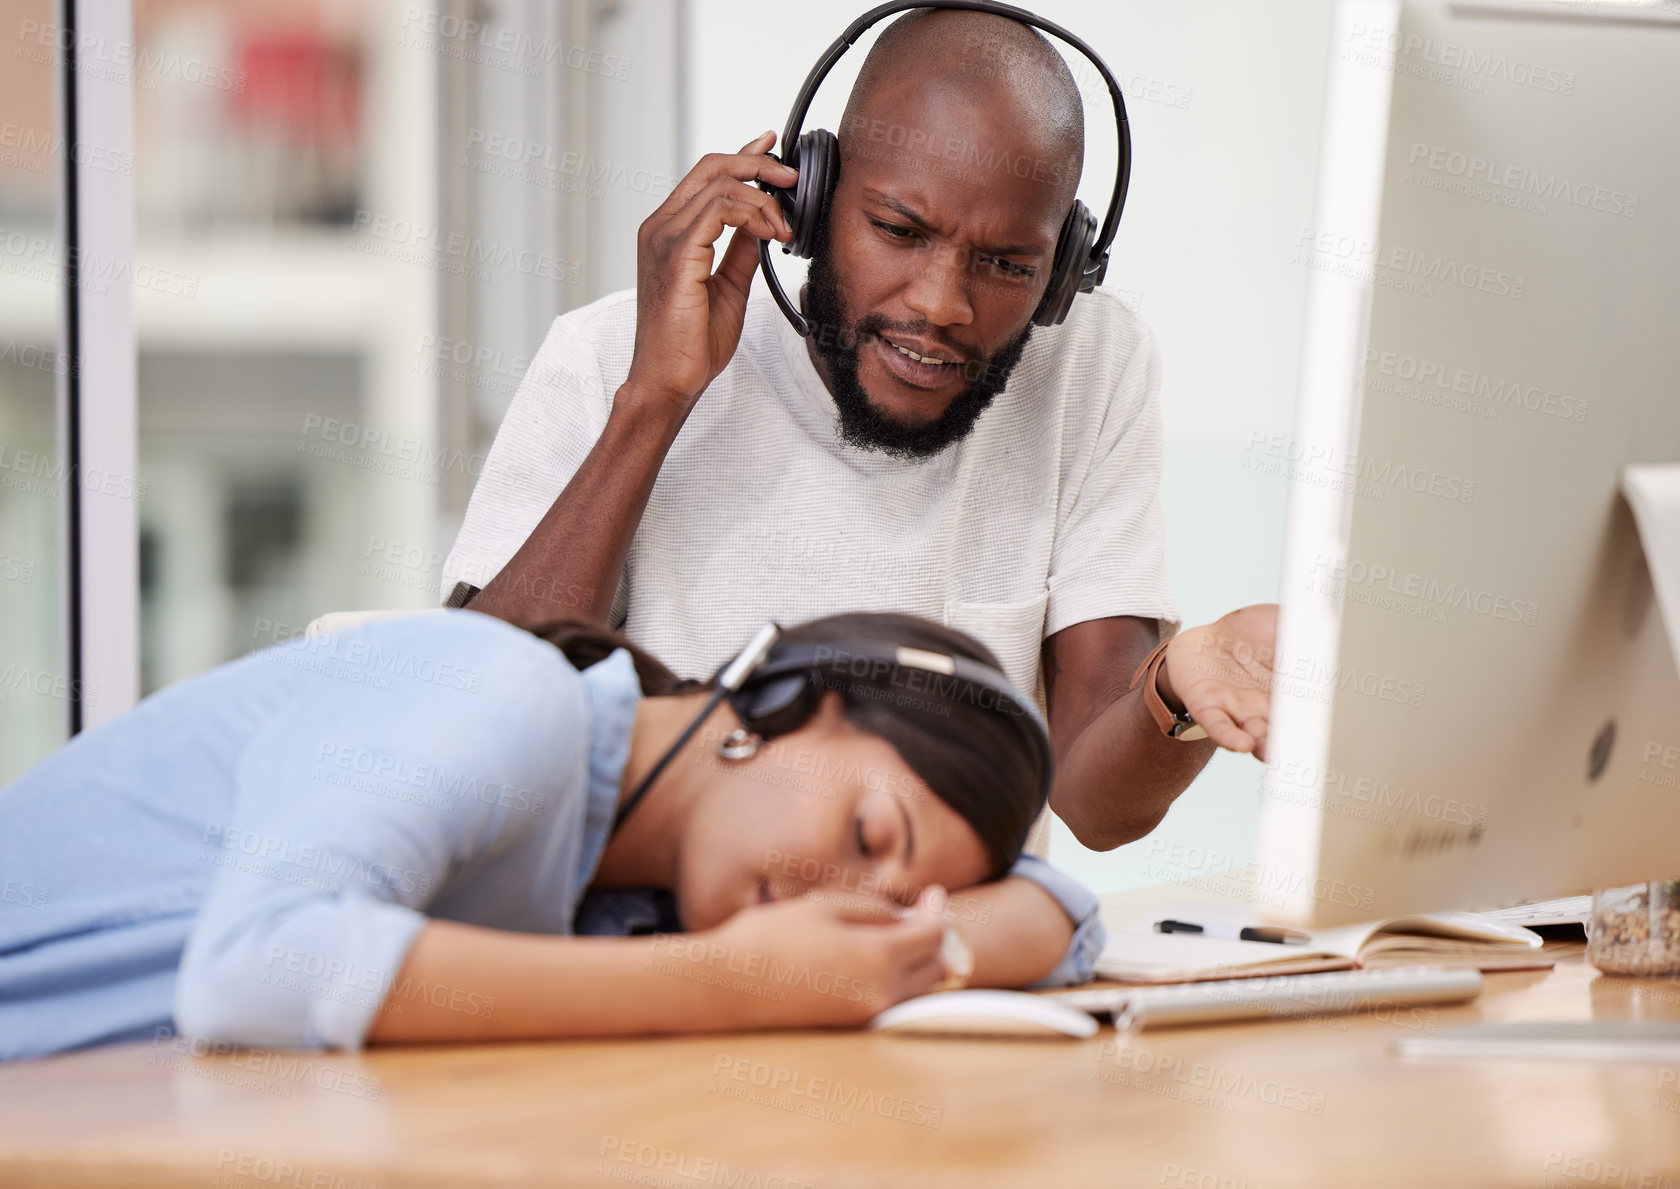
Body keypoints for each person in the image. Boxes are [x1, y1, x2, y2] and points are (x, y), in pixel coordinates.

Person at [439, 6, 1280, 874]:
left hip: (937, 963)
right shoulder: (614, 355)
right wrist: (656, 399)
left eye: (1009, 265)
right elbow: (471, 731)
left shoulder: (1091, 363)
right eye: (899, 231)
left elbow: (1095, 804)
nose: (941, 304)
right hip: (664, 935)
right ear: (807, 198)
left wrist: (1180, 682)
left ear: (1065, 271)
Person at [0, 608, 1100, 1062]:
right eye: (865, 830)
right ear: (784, 700)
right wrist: (750, 978)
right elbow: (253, 974)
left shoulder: (616, 898)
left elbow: (1067, 915)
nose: (834, 894)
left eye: (893, 895)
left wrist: (919, 949)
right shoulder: (503, 691)